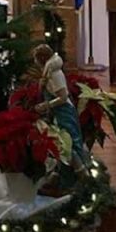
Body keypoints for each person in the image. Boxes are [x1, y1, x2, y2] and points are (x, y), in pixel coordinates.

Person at [31, 44, 87, 174]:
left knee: (66, 143)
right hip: (57, 112)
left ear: (42, 58)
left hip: (64, 112)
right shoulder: (48, 71)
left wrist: (46, 105)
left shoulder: (55, 74)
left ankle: (81, 176)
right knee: (59, 144)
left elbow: (63, 96)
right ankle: (62, 175)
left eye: (36, 58)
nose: (34, 62)